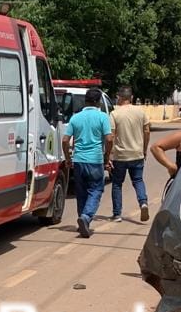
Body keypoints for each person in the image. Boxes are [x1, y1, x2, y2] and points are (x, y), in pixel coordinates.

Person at [62, 89, 114, 238]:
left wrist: (68, 158)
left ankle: (83, 221)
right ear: (98, 102)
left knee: (81, 193)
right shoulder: (102, 117)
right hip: (95, 160)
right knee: (96, 190)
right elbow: (109, 139)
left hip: (78, 160)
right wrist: (106, 156)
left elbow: (65, 140)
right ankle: (85, 217)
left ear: (85, 101)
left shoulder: (75, 118)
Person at [108, 86, 150, 224]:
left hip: (120, 155)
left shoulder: (115, 114)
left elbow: (112, 135)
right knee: (138, 180)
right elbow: (147, 131)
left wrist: (109, 154)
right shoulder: (141, 112)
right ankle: (143, 203)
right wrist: (144, 149)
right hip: (137, 153)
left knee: (117, 184)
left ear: (119, 97)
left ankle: (117, 214)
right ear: (131, 98)